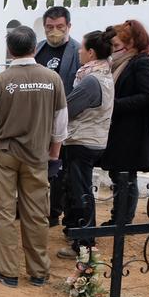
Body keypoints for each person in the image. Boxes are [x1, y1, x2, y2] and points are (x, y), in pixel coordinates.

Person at [0, 26, 67, 287]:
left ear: (10, 51)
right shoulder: (53, 79)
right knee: (37, 213)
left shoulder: (0, 82)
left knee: (2, 212)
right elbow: (61, 124)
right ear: (34, 48)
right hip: (38, 156)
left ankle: (9, 270)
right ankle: (38, 272)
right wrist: (54, 155)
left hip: (4, 155)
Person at [55, 30, 115, 260]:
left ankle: (84, 242)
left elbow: (67, 109)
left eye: (82, 48)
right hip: (92, 138)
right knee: (77, 188)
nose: (79, 51)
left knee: (80, 191)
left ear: (91, 52)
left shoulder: (91, 80)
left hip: (83, 140)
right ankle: (76, 231)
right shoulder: (103, 74)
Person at [99, 19, 149, 225]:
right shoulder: (124, 63)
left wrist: (114, 105)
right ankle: (118, 218)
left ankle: (122, 221)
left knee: (126, 177)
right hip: (120, 129)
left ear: (131, 43)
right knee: (118, 175)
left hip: (132, 131)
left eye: (116, 46)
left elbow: (148, 94)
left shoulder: (142, 62)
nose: (114, 50)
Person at [35, 7, 80, 229]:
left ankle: (54, 211)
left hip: (64, 119)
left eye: (59, 27)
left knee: (59, 169)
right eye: (50, 27)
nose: (54, 31)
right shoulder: (38, 49)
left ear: (68, 27)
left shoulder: (77, 52)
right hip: (37, 120)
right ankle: (37, 207)